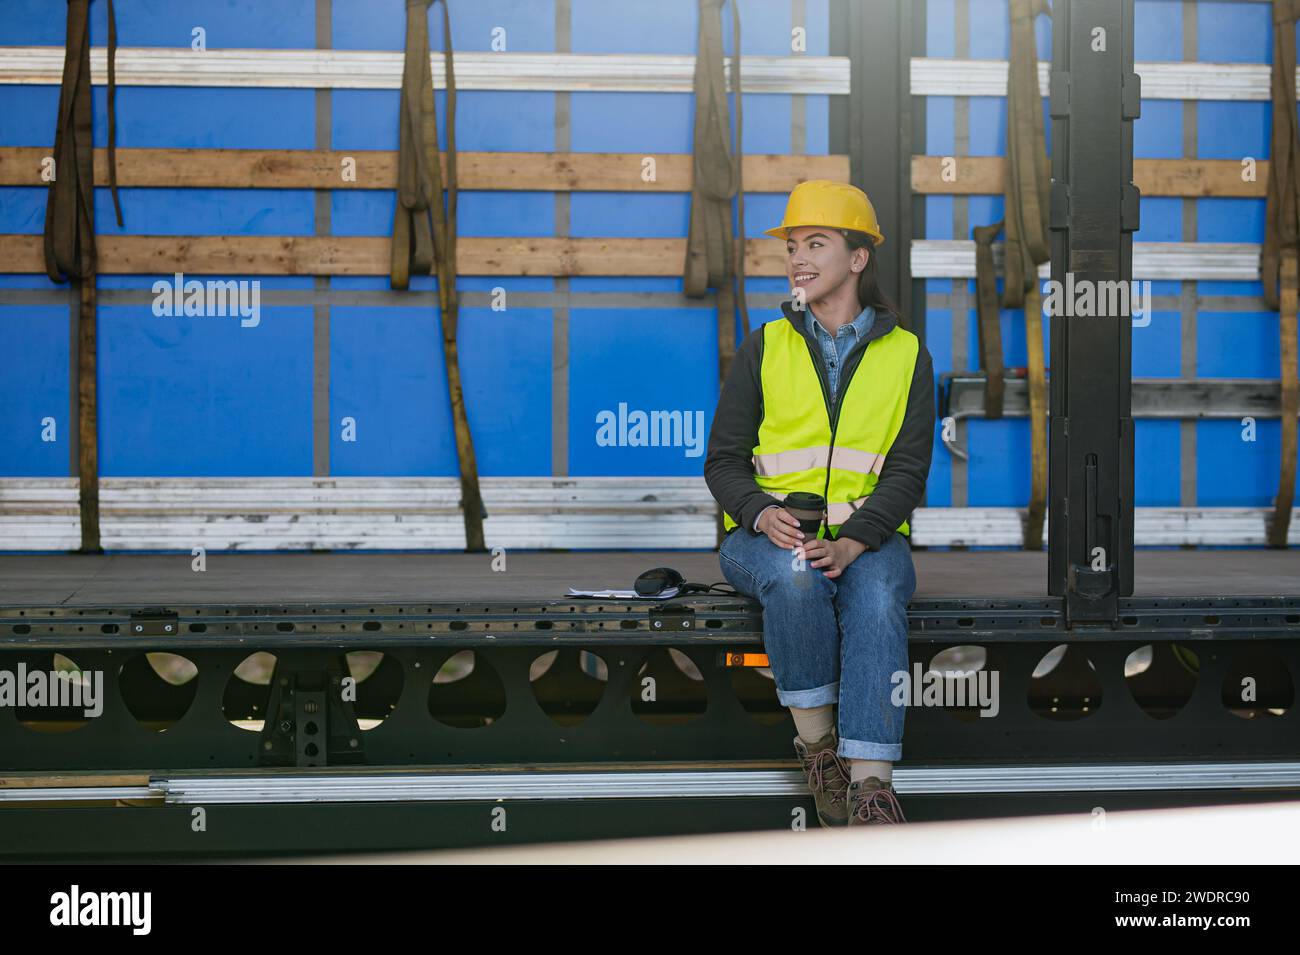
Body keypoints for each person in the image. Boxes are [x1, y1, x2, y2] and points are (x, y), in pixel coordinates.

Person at [704, 179, 935, 827]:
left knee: (878, 593)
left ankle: (870, 789)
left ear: (858, 259)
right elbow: (722, 460)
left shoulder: (907, 355)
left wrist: (856, 538)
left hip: (870, 536)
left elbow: (909, 469)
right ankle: (817, 747)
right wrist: (757, 511)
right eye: (792, 246)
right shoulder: (764, 345)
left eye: (816, 243)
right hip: (767, 539)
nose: (798, 258)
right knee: (797, 573)